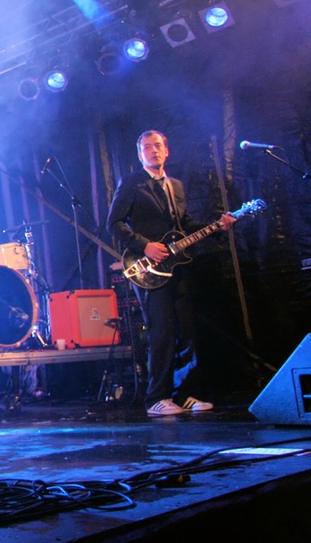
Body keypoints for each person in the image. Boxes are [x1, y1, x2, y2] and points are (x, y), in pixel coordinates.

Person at [106, 130, 235, 417]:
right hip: (147, 267)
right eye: (148, 148)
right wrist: (146, 246)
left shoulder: (175, 185)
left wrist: (217, 227)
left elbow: (184, 223)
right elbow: (113, 224)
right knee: (161, 331)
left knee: (186, 330)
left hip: (176, 267)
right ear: (140, 155)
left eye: (158, 146)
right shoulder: (131, 183)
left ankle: (186, 393)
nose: (154, 151)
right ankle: (157, 398)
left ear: (167, 151)